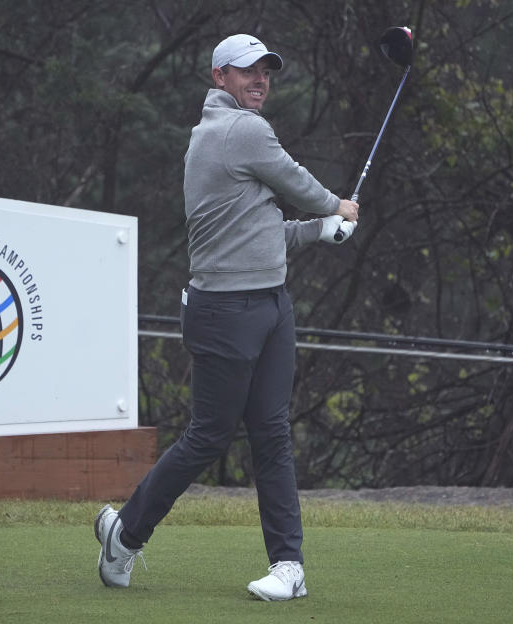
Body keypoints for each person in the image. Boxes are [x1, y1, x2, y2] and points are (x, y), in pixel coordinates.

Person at [94, 33, 359, 601]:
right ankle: (126, 534)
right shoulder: (239, 131)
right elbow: (299, 185)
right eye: (246, 72)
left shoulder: (231, 137)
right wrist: (336, 207)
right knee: (208, 436)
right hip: (225, 312)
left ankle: (289, 566)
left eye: (265, 72)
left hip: (269, 304)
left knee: (271, 432)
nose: (259, 80)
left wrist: (316, 230)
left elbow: (262, 231)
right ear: (219, 77)